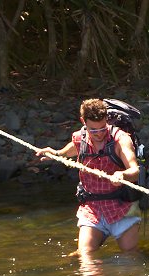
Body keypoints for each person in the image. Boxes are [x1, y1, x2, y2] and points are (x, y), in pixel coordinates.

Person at [36, 98, 142, 255]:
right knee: (85, 257)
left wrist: (122, 175)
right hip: (93, 209)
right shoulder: (80, 138)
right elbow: (67, 152)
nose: (98, 134)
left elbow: (135, 171)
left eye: (102, 128)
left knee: (130, 257)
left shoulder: (121, 139)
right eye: (93, 130)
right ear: (83, 122)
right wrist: (55, 154)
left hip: (122, 208)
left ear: (106, 119)